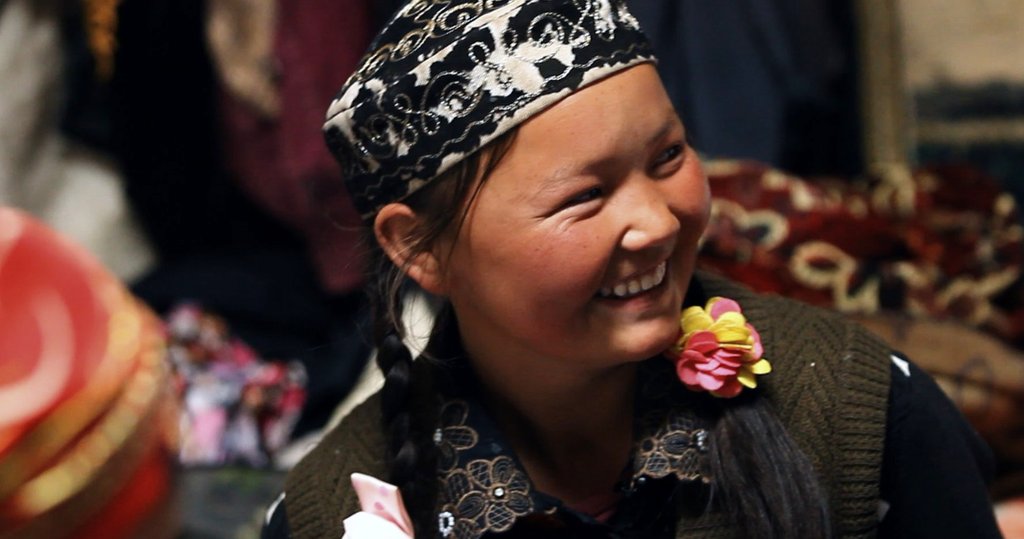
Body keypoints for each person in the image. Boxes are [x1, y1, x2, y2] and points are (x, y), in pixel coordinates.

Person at [263, 1, 1003, 537]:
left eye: (669, 158)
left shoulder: (860, 414)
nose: (657, 222)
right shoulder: (327, 512)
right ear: (418, 247)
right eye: (584, 197)